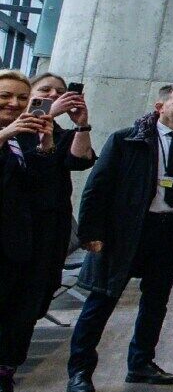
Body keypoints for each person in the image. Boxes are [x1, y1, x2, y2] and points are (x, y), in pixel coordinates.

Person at [67, 84, 173, 392]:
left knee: (156, 302)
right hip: (125, 232)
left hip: (169, 232)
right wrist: (91, 233)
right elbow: (97, 188)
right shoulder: (126, 140)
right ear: (159, 106)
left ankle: (141, 364)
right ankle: (80, 372)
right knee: (101, 301)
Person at [0, 71, 59, 392]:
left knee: (18, 320)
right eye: (5, 96)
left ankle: (5, 379)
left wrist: (46, 146)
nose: (14, 103)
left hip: (22, 245)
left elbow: (44, 191)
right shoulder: (9, 135)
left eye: (22, 98)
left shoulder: (25, 137)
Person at [25, 73, 96, 324]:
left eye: (60, 92)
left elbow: (80, 161)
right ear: (29, 95)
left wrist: (82, 124)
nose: (54, 95)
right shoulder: (13, 128)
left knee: (41, 289)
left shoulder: (61, 134)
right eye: (46, 90)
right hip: (18, 221)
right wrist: (48, 112)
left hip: (51, 224)